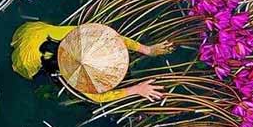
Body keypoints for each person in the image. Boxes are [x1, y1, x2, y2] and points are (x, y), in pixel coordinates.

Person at [11, 21, 173, 102]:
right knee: (33, 74)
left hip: (36, 32)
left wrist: (147, 50)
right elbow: (98, 98)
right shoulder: (75, 76)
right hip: (28, 59)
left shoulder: (78, 35)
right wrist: (136, 89)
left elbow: (114, 38)